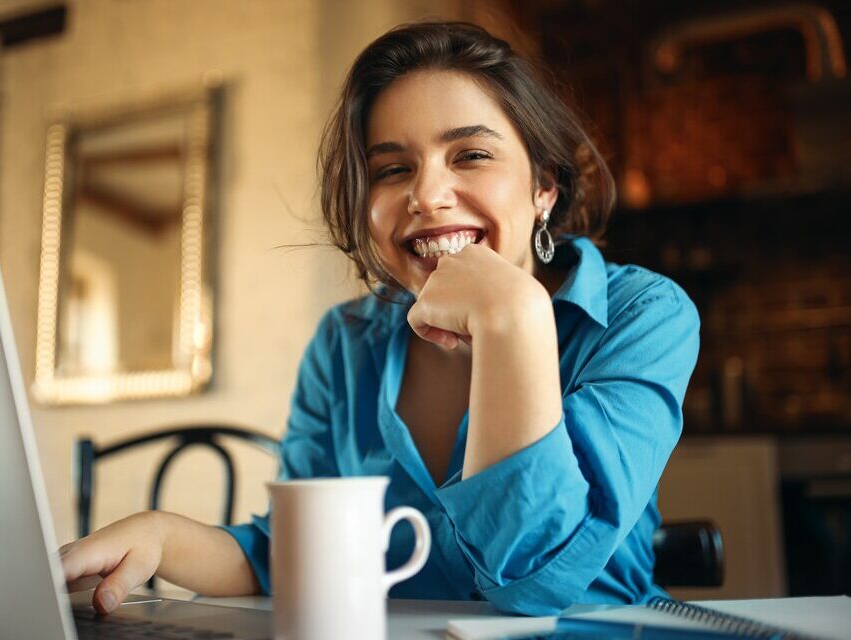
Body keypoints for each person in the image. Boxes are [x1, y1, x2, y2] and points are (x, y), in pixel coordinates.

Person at [59, 21, 700, 617]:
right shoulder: (344, 344)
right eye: (393, 169)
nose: (425, 195)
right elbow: (298, 554)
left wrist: (516, 319)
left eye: (471, 155)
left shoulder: (642, 316)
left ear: (544, 186)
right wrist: (162, 536)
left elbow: (534, 583)